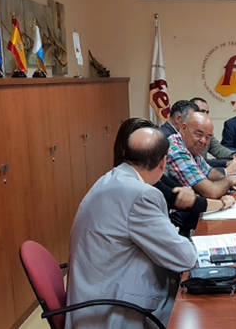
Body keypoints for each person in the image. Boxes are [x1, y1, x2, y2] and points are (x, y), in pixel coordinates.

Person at [66, 127, 197, 328]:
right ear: (163, 162)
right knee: (198, 310)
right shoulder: (141, 194)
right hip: (112, 310)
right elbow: (185, 258)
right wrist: (176, 238)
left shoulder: (113, 177)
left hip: (96, 293)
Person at [113, 118, 234, 235]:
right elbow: (181, 199)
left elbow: (179, 193)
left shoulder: (134, 173)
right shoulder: (139, 187)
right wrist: (223, 203)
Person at [166, 111, 236, 198]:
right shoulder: (177, 150)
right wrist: (228, 181)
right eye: (199, 134)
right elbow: (211, 192)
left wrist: (226, 180)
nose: (203, 141)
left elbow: (209, 172)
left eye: (208, 137)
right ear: (183, 128)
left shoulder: (190, 146)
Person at [189, 97, 236, 167]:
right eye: (202, 111)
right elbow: (197, 161)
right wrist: (226, 163)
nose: (205, 115)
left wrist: (234, 154)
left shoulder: (206, 130)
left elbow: (217, 148)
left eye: (207, 112)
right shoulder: (187, 132)